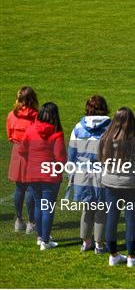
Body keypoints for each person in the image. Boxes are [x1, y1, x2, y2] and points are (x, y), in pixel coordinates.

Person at [99, 107, 135, 267]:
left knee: (111, 217)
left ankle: (113, 255)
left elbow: (100, 159)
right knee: (131, 219)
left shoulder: (105, 138)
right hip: (132, 184)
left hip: (110, 183)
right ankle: (132, 257)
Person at [67, 95, 111, 254]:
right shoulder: (110, 127)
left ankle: (86, 242)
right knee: (101, 209)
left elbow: (72, 152)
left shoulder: (79, 127)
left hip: (83, 173)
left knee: (87, 208)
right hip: (103, 172)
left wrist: (70, 173)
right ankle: (99, 244)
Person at [19, 102, 66, 250]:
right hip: (50, 175)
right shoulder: (56, 133)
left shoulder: (31, 129)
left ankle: (41, 237)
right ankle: (45, 240)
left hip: (32, 173)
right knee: (48, 208)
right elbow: (60, 157)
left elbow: (21, 150)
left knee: (39, 205)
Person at [6, 86, 38, 234]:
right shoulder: (37, 116)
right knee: (31, 188)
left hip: (17, 151)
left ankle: (19, 220)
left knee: (20, 188)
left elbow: (10, 135)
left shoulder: (12, 115)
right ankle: (32, 222)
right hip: (32, 152)